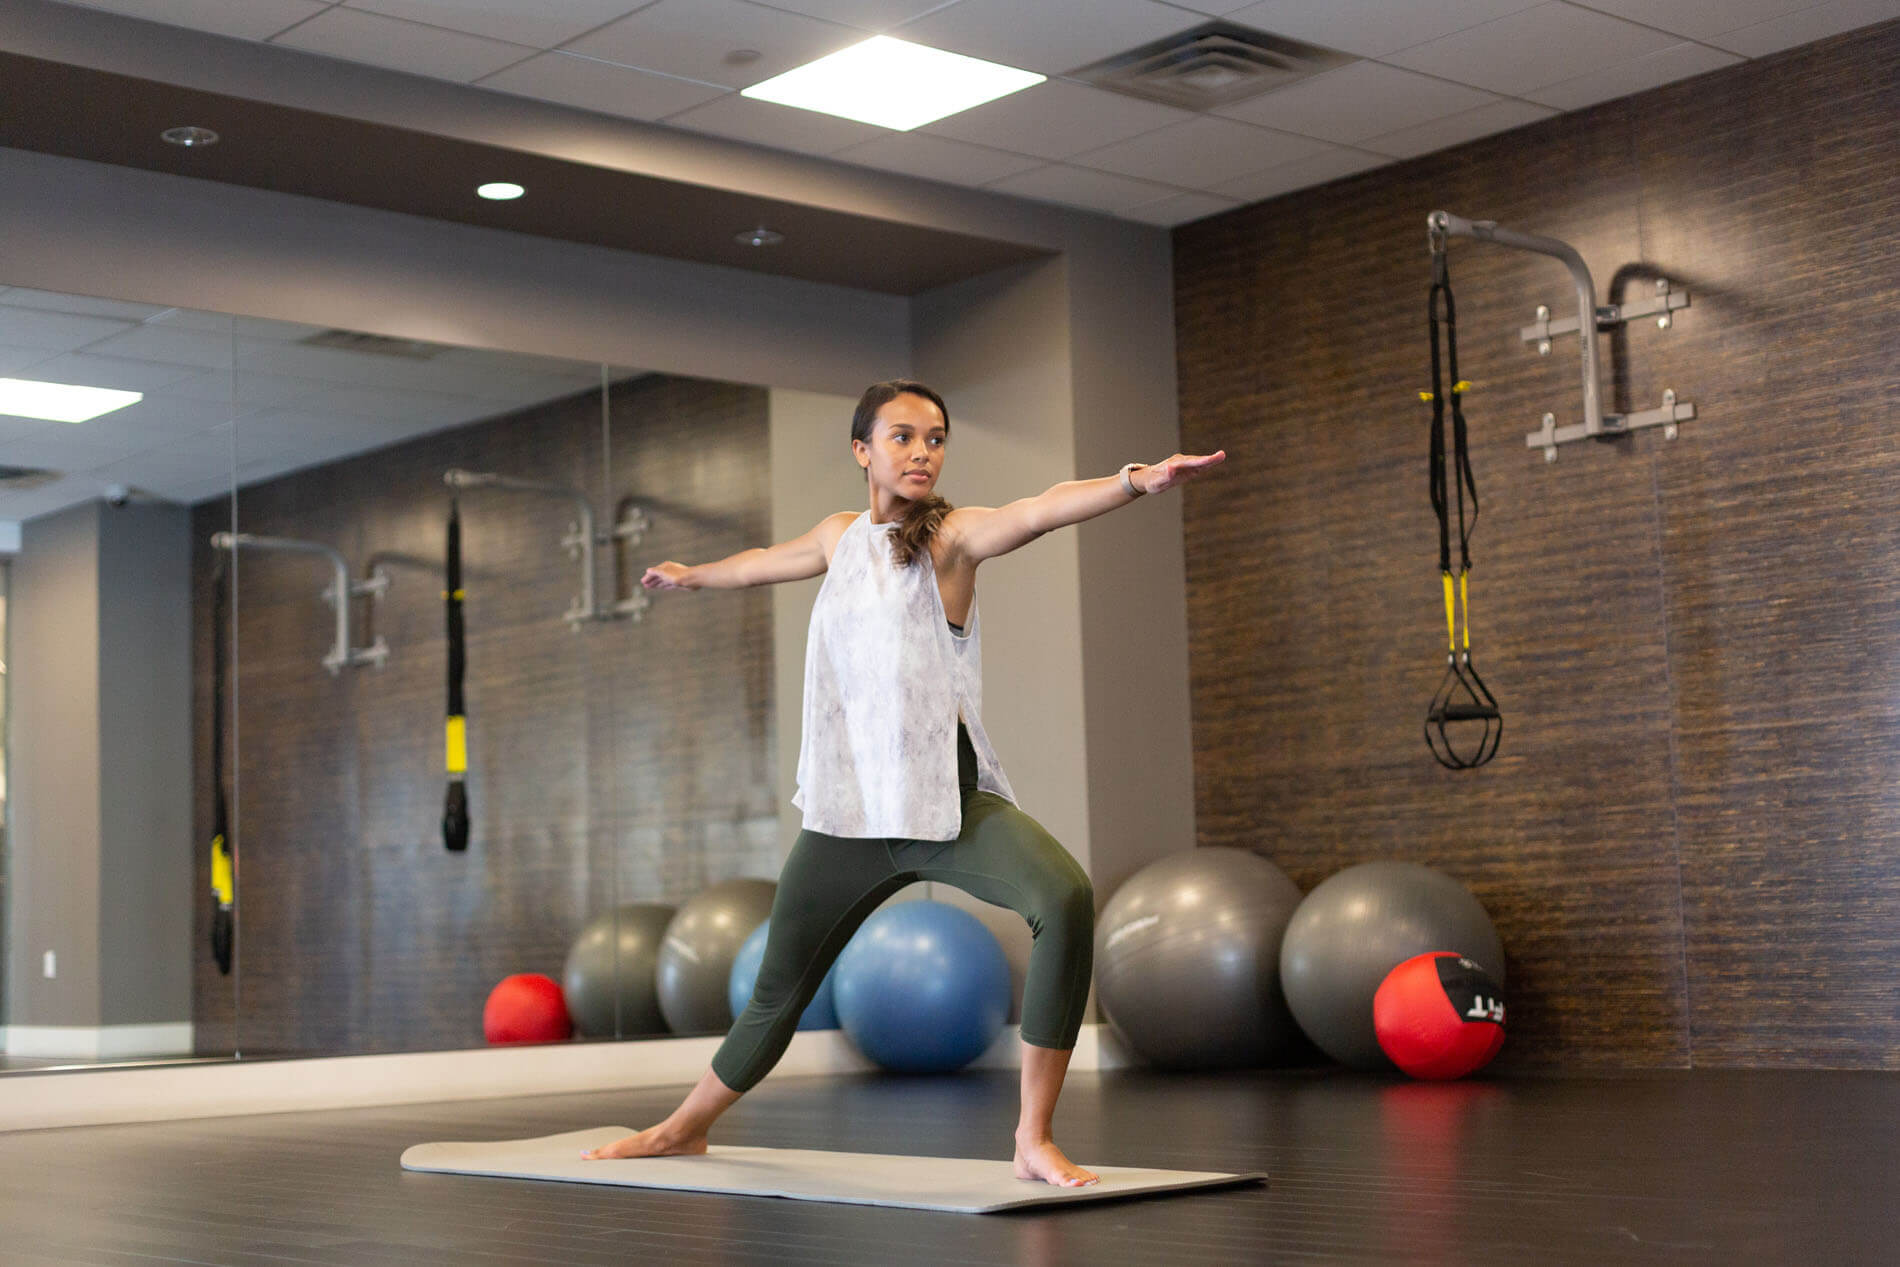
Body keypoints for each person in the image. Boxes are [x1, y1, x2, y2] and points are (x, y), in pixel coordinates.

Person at [582, 380, 1225, 1186]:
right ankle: (680, 1129)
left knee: (1061, 896)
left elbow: (1040, 507)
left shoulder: (950, 539)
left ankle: (1032, 1136)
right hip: (849, 816)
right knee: (777, 991)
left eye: (936, 438)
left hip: (946, 803)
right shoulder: (837, 536)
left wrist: (1134, 480)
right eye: (903, 436)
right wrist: (692, 575)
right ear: (863, 450)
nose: (923, 451)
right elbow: (760, 565)